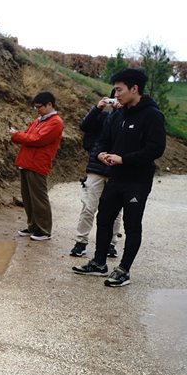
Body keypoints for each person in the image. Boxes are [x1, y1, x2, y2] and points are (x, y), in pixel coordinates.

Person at [72, 68, 166, 287]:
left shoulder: (152, 115)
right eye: (115, 90)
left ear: (135, 89)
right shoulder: (118, 115)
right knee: (104, 218)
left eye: (119, 89)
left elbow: (156, 148)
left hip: (137, 181)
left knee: (131, 224)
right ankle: (98, 263)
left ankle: (123, 270)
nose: (116, 95)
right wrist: (102, 154)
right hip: (115, 178)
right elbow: (103, 139)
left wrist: (124, 159)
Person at [69, 91, 123, 258]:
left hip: (118, 170)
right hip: (96, 168)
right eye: (115, 95)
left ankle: (111, 244)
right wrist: (97, 108)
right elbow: (85, 126)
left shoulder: (131, 118)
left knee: (115, 212)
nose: (118, 99)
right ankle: (81, 242)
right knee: (88, 207)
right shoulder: (103, 116)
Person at [8, 91, 64, 241]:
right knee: (28, 197)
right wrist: (19, 135)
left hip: (38, 163)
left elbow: (36, 139)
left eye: (39, 107)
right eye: (36, 107)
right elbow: (28, 136)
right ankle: (33, 226)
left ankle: (44, 230)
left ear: (49, 105)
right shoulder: (40, 119)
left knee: (38, 198)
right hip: (27, 161)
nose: (37, 109)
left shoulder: (55, 122)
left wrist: (16, 134)